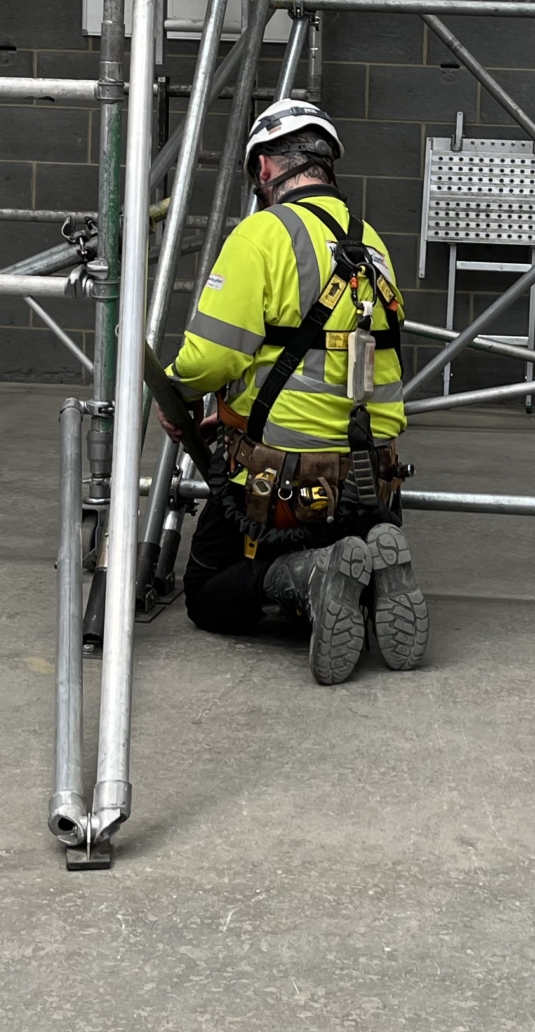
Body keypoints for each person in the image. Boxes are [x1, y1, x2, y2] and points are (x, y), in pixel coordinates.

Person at [164, 97, 426, 685]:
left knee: (207, 593)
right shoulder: (373, 245)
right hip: (371, 476)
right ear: (326, 167)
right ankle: (365, 561)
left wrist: (174, 394)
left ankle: (315, 573)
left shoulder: (262, 233)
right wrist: (236, 415)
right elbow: (342, 367)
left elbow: (210, 356)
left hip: (284, 478)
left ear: (264, 169)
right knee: (346, 545)